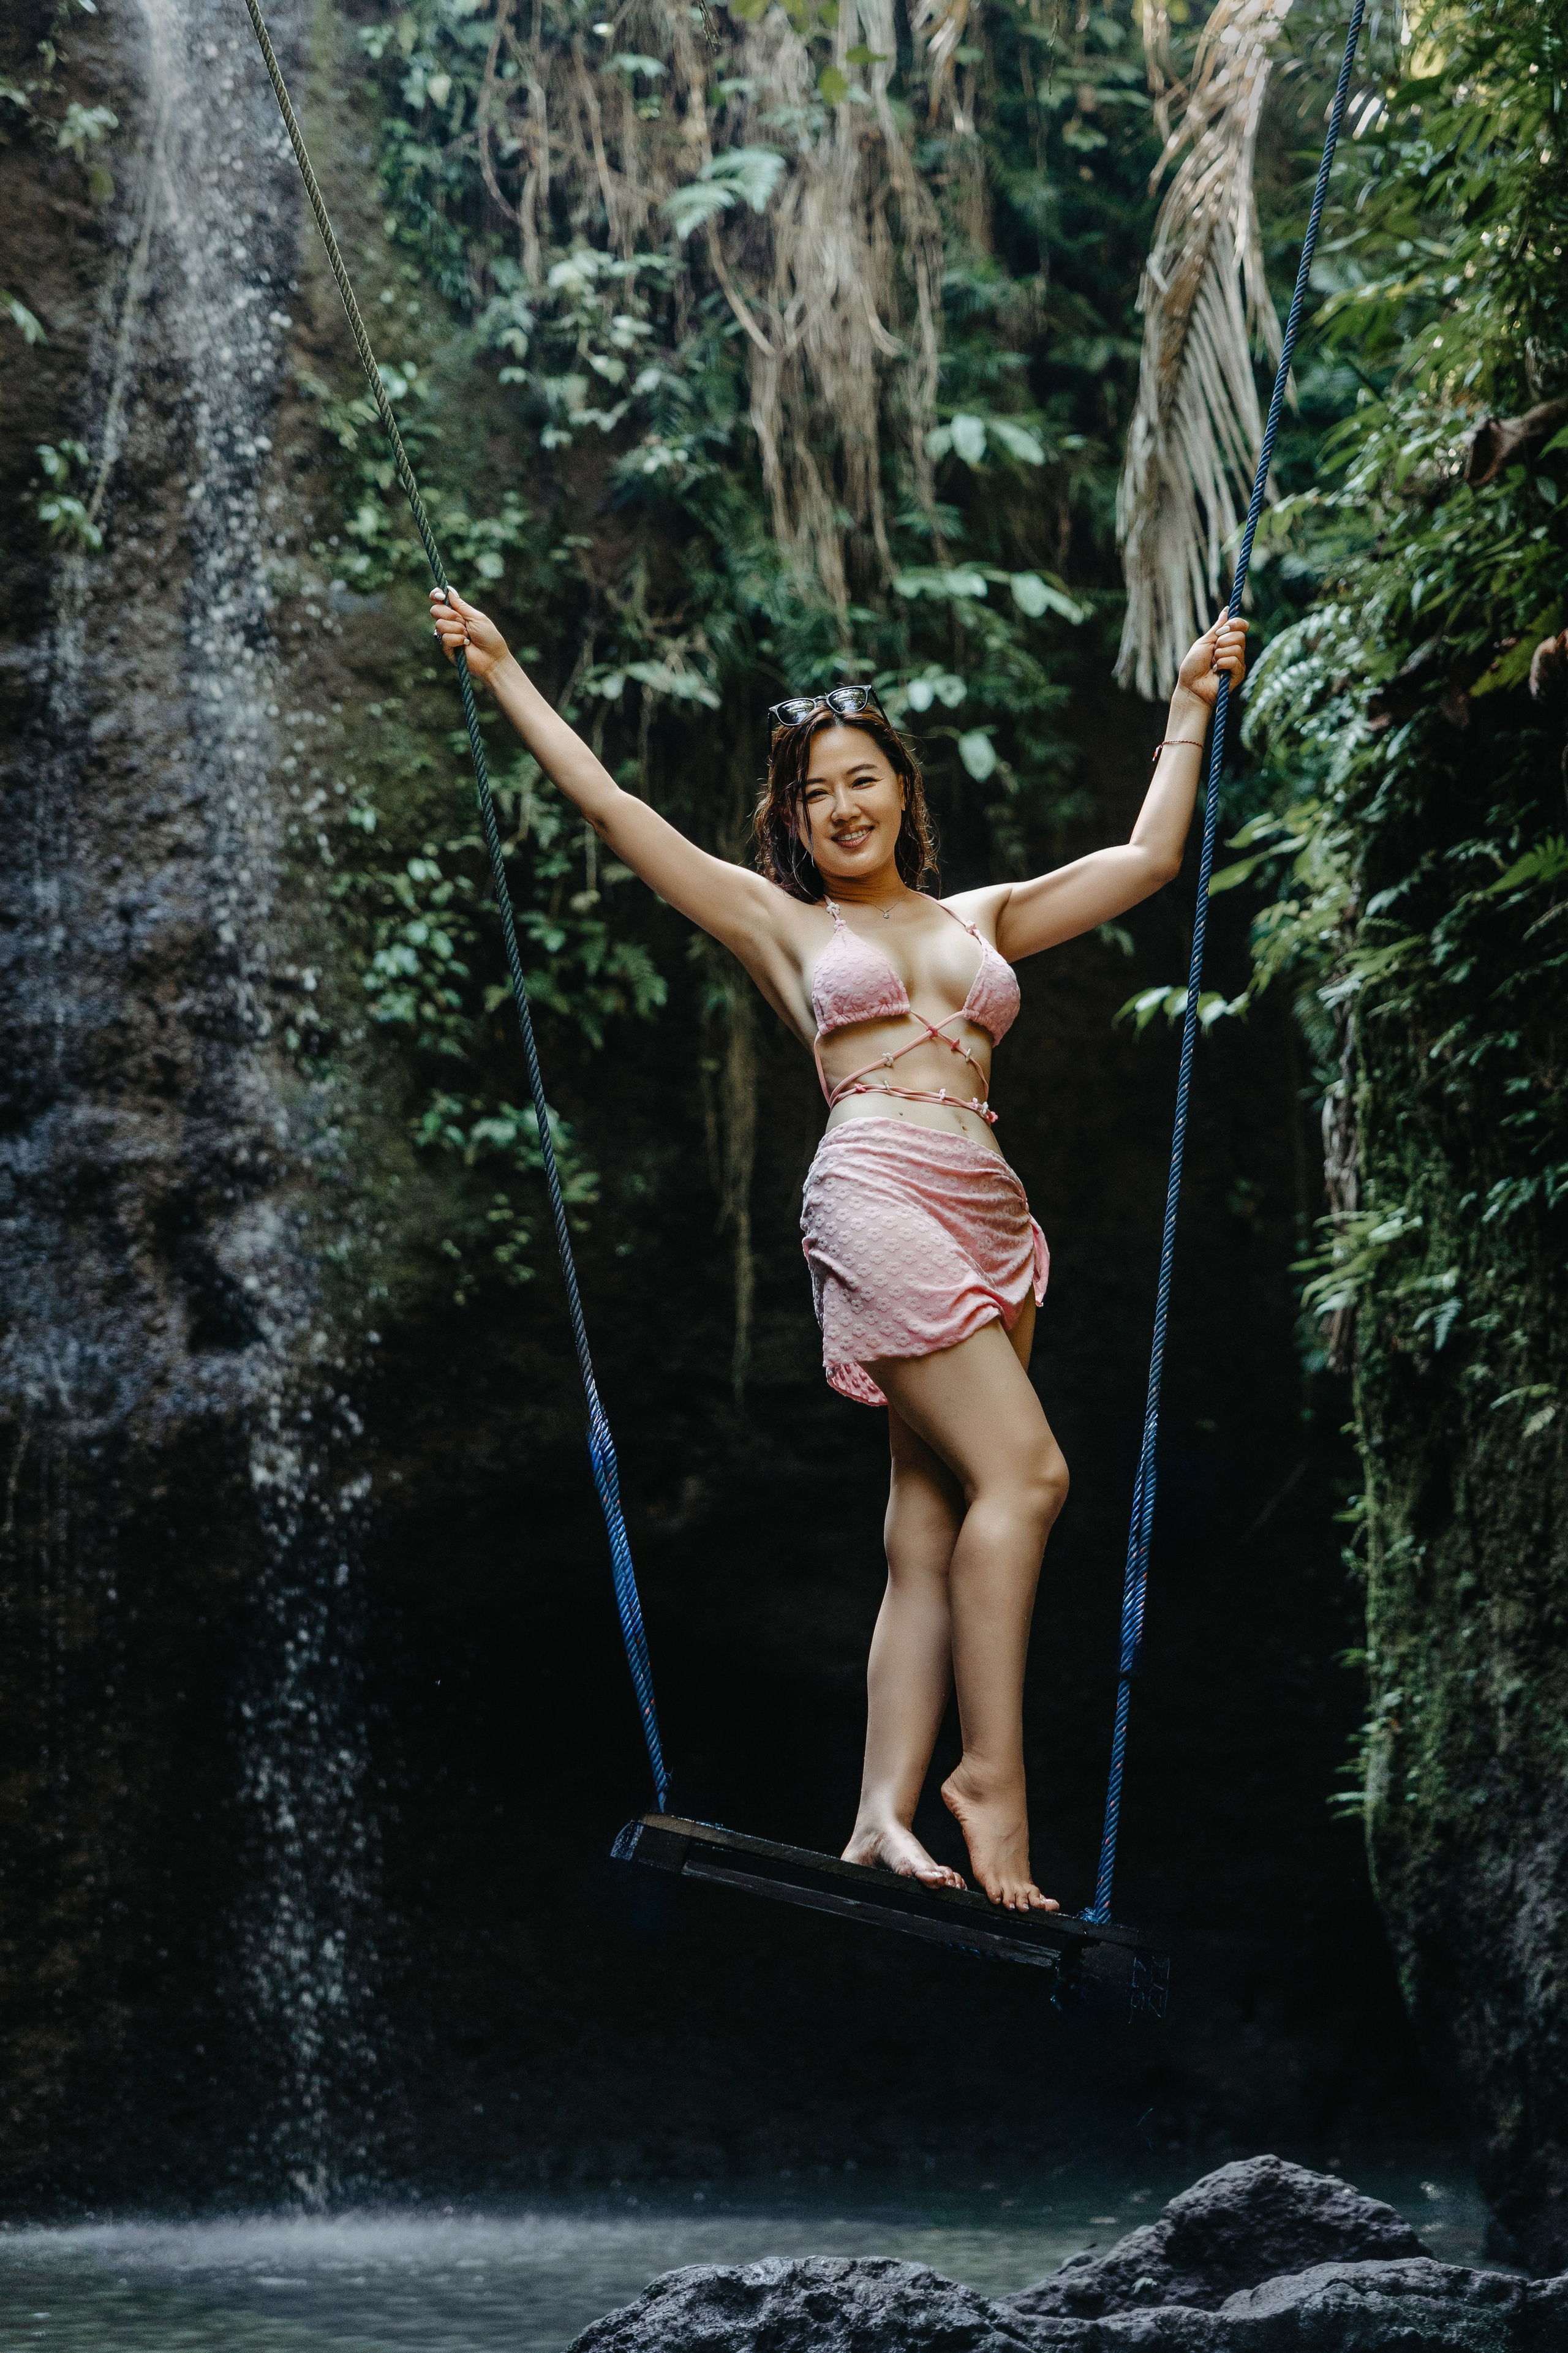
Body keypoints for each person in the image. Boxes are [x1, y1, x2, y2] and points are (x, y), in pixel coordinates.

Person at [429, 585, 1247, 1910]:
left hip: (990, 1210)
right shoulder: (788, 927)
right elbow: (617, 817)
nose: (841, 808)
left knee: (926, 1525)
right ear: (793, 818)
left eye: (860, 781)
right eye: (815, 795)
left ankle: (876, 1810)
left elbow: (1145, 861)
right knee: (1027, 1478)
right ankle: (989, 1781)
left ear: (899, 794)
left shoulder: (980, 918)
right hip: (870, 1184)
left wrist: (1186, 708)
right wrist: (509, 670)